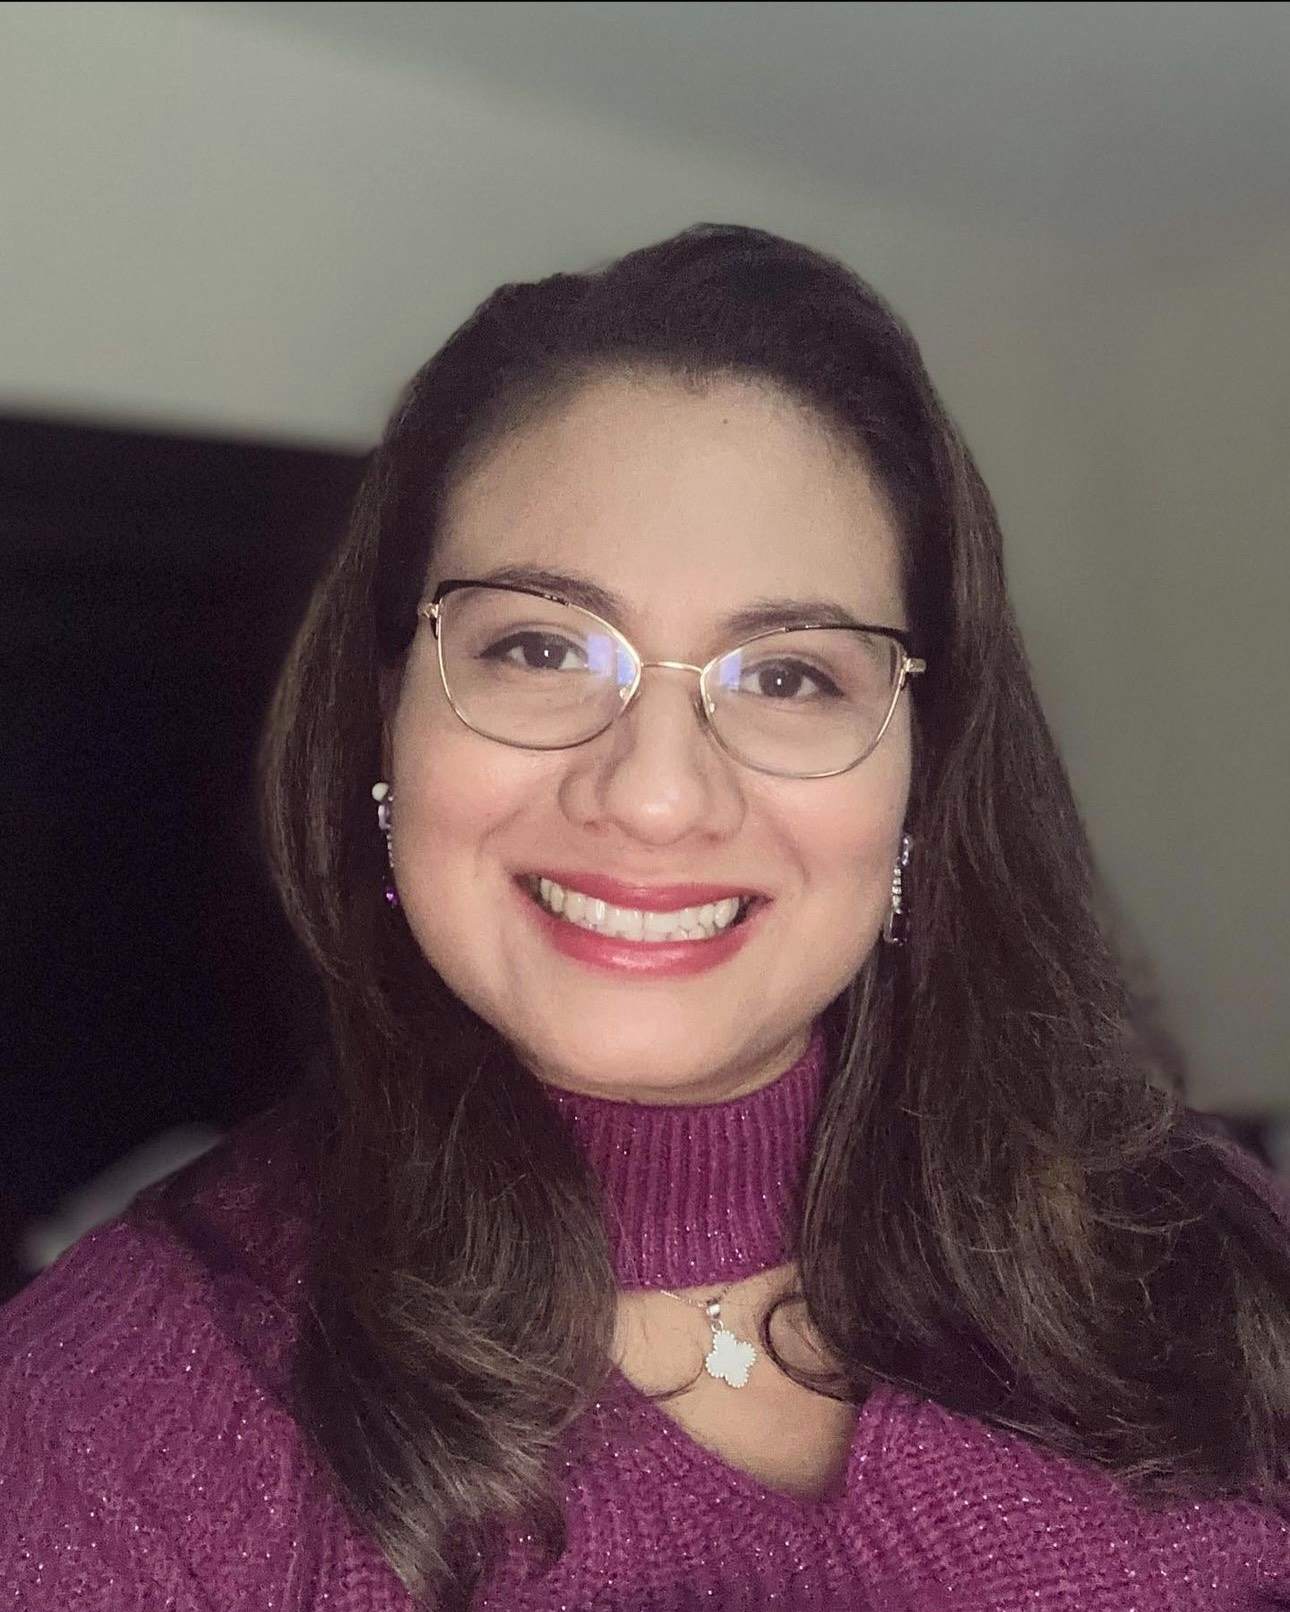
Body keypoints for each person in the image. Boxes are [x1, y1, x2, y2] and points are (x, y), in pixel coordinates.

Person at [2, 225, 1288, 1612]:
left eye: (789, 674)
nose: (658, 796)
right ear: (383, 723)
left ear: (921, 778)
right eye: (541, 648)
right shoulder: (109, 1425)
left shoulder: (1183, 1229)